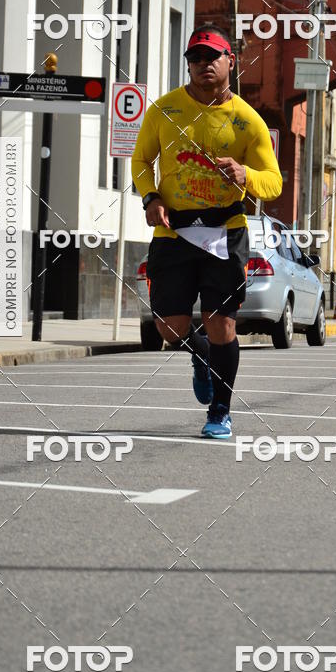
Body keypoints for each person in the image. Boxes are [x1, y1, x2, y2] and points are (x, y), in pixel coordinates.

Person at [131, 23, 282, 438]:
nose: (203, 65)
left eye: (212, 57)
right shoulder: (163, 110)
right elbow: (141, 162)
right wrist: (151, 198)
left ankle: (220, 410)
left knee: (223, 326)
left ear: (230, 61)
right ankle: (201, 356)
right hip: (174, 231)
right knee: (169, 328)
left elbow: (274, 181)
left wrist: (246, 174)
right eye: (195, 58)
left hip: (224, 230)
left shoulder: (247, 121)